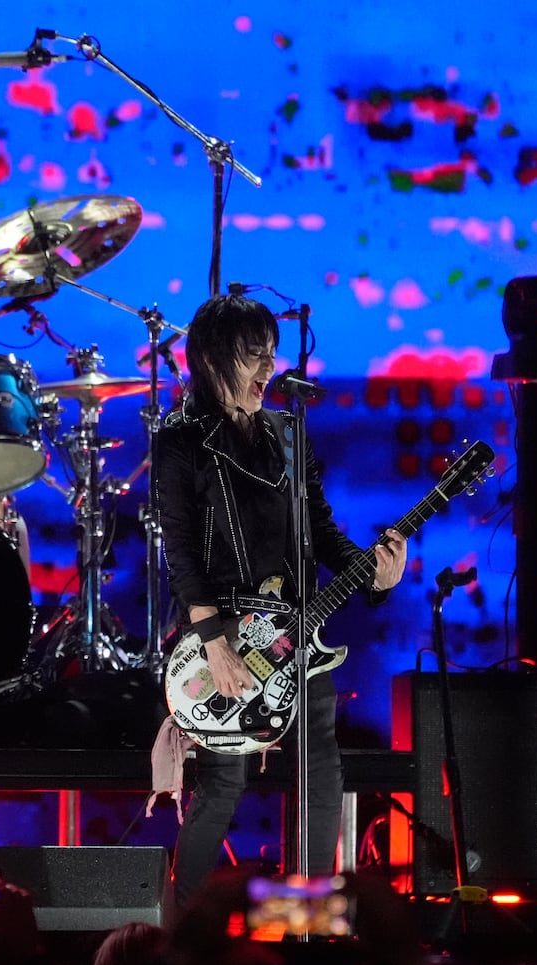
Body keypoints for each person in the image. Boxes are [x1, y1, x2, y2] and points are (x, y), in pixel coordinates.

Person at [154, 292, 407, 903]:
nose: (269, 369)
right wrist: (214, 642)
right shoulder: (181, 442)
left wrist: (372, 574)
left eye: (271, 353)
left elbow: (319, 528)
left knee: (322, 772)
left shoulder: (288, 433)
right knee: (223, 779)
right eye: (253, 356)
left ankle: (310, 916)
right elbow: (182, 552)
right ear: (214, 360)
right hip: (224, 634)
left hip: (296, 632)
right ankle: (180, 925)